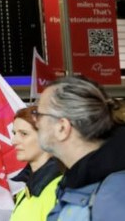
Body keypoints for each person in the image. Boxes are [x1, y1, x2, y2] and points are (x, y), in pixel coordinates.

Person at [36, 76, 125, 220]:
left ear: (62, 128)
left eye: (39, 115)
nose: (36, 123)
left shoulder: (114, 195)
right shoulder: (78, 184)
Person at [9, 106, 62, 221]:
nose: (13, 141)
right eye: (14, 133)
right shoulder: (24, 192)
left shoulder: (62, 188)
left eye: (23, 134)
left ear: (46, 137)